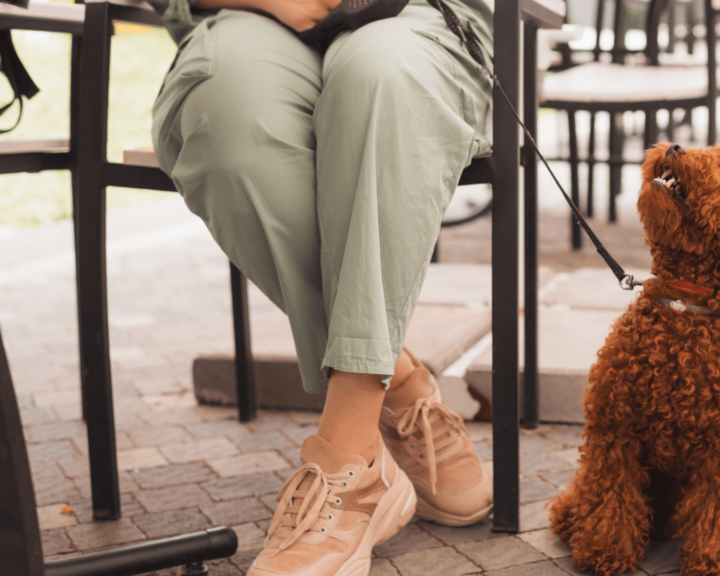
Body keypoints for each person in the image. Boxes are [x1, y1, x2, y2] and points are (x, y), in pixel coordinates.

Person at [147, 0, 495, 574]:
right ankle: (403, 385)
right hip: (250, 14)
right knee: (230, 132)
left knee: (379, 76)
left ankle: (350, 455)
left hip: (420, 12)